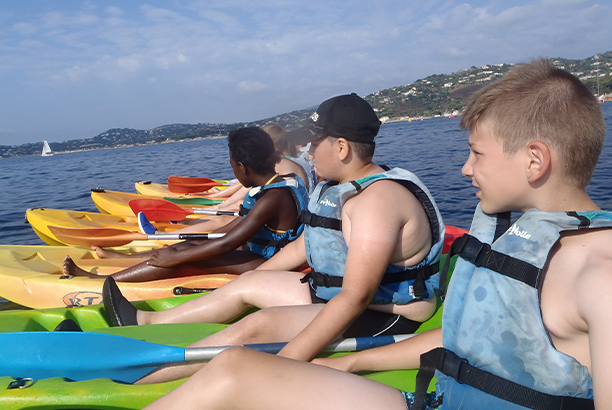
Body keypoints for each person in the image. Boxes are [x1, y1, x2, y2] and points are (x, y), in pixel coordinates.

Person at [142, 59, 611, 410]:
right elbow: (470, 336)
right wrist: (351, 363)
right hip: (437, 398)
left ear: (534, 160)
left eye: (477, 154)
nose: (466, 169)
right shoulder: (513, 232)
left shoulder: (599, 275)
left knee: (246, 362)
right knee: (236, 367)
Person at [103, 92, 446, 385]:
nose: (308, 151)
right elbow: (305, 244)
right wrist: (260, 276)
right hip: (338, 295)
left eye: (314, 142)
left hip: (389, 314)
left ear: (341, 147)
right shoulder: (339, 187)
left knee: (258, 326)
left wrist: (286, 361)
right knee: (247, 285)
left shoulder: (377, 202)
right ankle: (148, 321)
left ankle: (137, 377)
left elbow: (356, 297)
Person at [64, 127, 309, 282]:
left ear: (243, 167)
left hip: (271, 265)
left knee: (185, 256)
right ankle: (120, 259)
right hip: (261, 255)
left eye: (233, 164)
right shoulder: (280, 184)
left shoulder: (273, 198)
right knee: (188, 246)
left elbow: (227, 243)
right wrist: (193, 241)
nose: (232, 168)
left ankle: (104, 281)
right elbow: (234, 228)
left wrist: (176, 257)